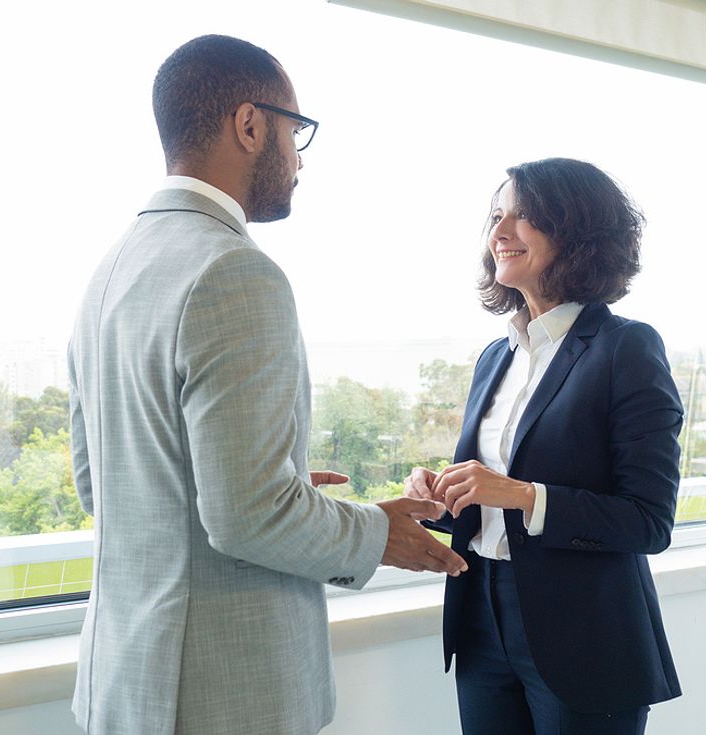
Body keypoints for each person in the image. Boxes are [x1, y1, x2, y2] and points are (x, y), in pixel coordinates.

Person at [67, 34, 466, 735]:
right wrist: (376, 532)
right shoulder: (232, 272)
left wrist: (256, 479)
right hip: (219, 696)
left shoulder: (111, 270)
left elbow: (104, 483)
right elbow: (247, 516)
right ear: (250, 125)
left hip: (125, 681)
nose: (299, 156)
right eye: (295, 130)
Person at [405, 158, 683, 735]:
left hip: (585, 636)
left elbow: (649, 522)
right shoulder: (495, 356)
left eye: (524, 216)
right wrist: (441, 498)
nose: (499, 233)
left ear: (578, 231)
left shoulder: (624, 348)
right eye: (495, 216)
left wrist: (523, 495)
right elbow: (493, 499)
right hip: (480, 614)